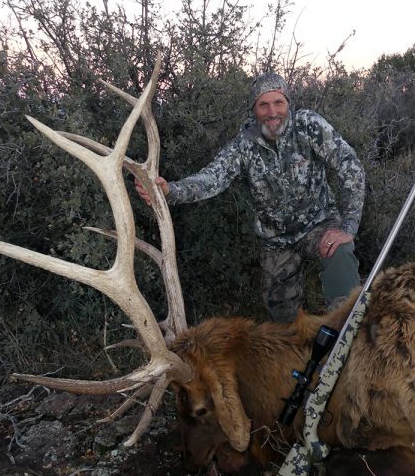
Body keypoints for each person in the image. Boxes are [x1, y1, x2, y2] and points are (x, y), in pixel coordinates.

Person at [136, 73, 365, 323]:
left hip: (319, 225)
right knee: (283, 324)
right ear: (254, 110)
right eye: (263, 104)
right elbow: (212, 179)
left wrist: (348, 226)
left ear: (288, 103)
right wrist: (169, 191)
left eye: (278, 102)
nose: (272, 111)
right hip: (276, 241)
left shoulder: (309, 125)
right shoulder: (243, 146)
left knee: (340, 251)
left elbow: (349, 166)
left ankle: (348, 328)